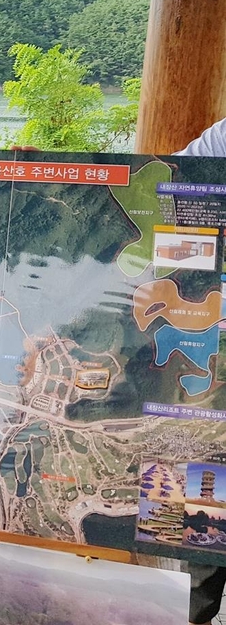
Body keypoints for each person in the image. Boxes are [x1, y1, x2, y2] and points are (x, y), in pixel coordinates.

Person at [177, 118, 226, 625]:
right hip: (216, 351)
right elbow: (169, 185)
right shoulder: (224, 138)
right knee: (207, 484)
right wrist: (56, 177)